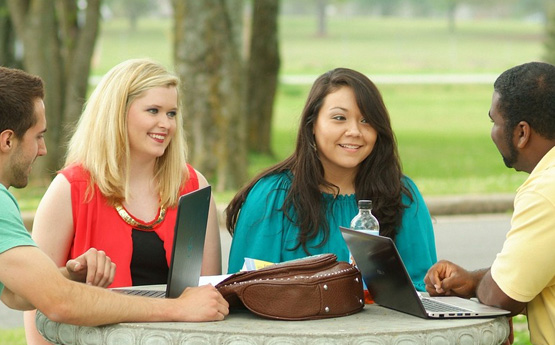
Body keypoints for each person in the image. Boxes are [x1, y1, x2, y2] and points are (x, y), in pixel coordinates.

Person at [0, 66, 228, 330]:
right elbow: (56, 301)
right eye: (153, 110)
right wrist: (178, 308)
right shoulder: (68, 187)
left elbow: (18, 294)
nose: (43, 150)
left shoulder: (192, 184)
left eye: (172, 113)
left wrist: (68, 276)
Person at [226, 68, 437, 292]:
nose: (355, 131)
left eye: (366, 120)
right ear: (312, 125)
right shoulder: (271, 196)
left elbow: (423, 288)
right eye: (339, 118)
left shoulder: (402, 196)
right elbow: (243, 291)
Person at [424, 62, 555, 345]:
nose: (493, 132)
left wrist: (484, 286)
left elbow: (503, 296)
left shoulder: (546, 191)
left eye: (494, 122)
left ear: (521, 132)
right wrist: (472, 280)